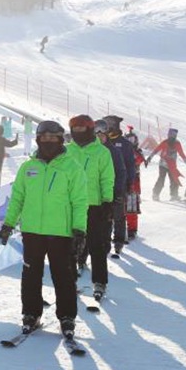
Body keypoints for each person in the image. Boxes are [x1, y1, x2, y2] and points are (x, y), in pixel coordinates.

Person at [0, 120, 87, 339]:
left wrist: (79, 229)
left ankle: (67, 317)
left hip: (60, 232)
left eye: (53, 138)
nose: (48, 142)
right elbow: (17, 197)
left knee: (63, 276)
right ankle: (31, 313)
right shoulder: (28, 167)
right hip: (32, 231)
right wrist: (8, 224)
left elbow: (80, 201)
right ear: (38, 139)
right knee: (31, 275)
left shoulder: (71, 167)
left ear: (60, 139)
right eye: (44, 138)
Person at [67, 115, 115, 300]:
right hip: (70, 205)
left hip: (94, 205)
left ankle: (99, 281)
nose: (78, 133)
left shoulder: (101, 152)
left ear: (89, 129)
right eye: (75, 130)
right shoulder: (66, 151)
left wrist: (107, 201)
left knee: (97, 245)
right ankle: (69, 281)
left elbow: (107, 178)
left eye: (81, 129)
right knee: (69, 245)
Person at [103, 115, 136, 246]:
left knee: (118, 214)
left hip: (119, 183)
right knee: (104, 214)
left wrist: (129, 182)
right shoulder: (101, 142)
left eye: (111, 124)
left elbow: (130, 164)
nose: (109, 126)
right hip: (103, 183)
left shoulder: (125, 144)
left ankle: (119, 240)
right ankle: (104, 238)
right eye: (107, 124)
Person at [146, 128, 186, 202]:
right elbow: (156, 150)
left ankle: (174, 195)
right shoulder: (165, 142)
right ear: (168, 135)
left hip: (172, 165)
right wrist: (150, 157)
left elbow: (182, 154)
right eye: (171, 135)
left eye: (174, 135)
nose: (172, 136)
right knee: (161, 179)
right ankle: (155, 194)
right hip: (163, 164)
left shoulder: (177, 144)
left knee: (174, 179)